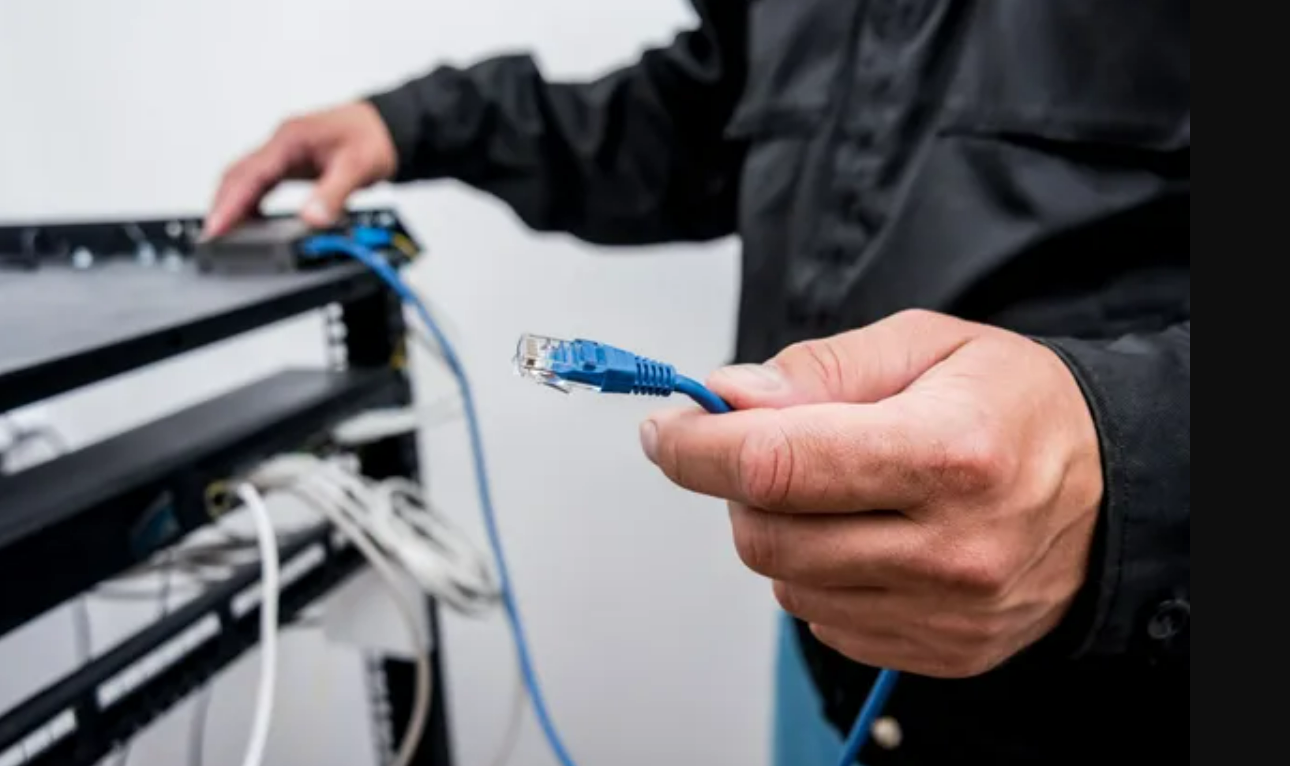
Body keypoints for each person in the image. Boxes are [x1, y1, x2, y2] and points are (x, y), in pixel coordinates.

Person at [205, 1, 1190, 763]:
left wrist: (1124, 466)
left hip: (1128, 682)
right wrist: (411, 122)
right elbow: (701, 118)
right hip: (830, 639)